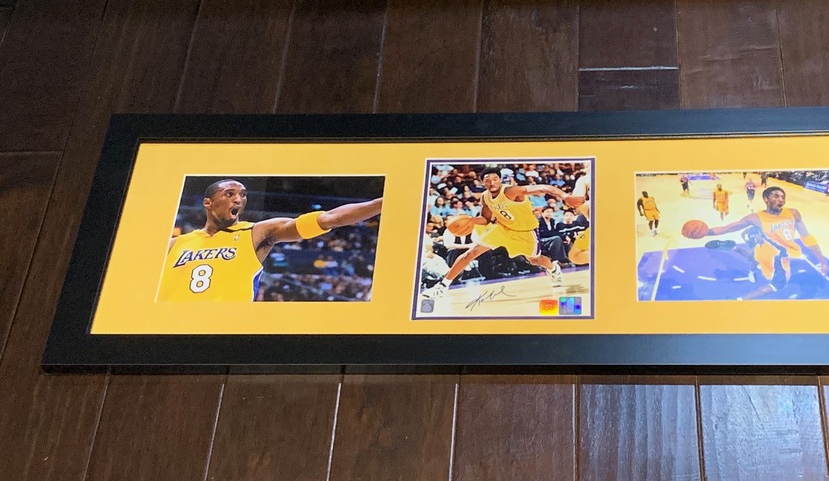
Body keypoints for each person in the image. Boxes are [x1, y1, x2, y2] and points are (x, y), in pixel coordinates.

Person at [159, 179, 383, 301]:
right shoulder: (174, 244)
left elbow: (329, 219)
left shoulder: (256, 232)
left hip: (225, 327)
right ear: (208, 203)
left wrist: (380, 204)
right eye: (229, 194)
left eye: (243, 195)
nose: (238, 199)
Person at [420, 168, 569, 300]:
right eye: (487, 180)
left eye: (495, 179)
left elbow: (543, 187)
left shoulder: (511, 191)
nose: (492, 183)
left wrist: (565, 196)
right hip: (502, 229)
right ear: (483, 183)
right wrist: (471, 220)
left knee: (535, 260)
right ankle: (442, 286)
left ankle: (553, 269)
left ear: (500, 180)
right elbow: (485, 219)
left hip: (526, 232)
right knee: (471, 253)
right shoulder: (485, 196)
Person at [704, 186, 829, 300]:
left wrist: (822, 261)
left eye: (783, 197)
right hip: (777, 253)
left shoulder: (793, 213)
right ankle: (738, 300)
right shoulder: (755, 218)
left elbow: (807, 238)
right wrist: (705, 232)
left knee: (754, 259)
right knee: (779, 283)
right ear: (766, 199)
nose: (780, 199)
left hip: (768, 249)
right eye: (776, 196)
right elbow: (727, 228)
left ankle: (734, 247)